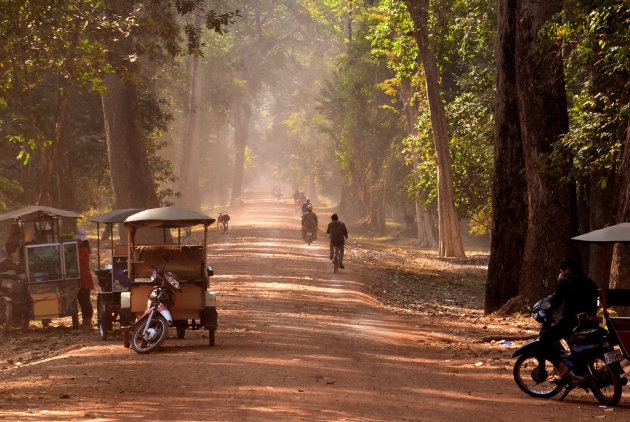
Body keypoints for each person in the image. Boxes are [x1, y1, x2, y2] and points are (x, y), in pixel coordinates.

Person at [540, 258, 598, 382]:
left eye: (561, 271)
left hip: (572, 322)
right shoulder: (590, 282)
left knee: (545, 339)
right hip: (590, 322)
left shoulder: (565, 280)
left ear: (567, 270)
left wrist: (548, 315)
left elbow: (556, 302)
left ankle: (562, 369)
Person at [74, 229, 94, 329]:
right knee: (81, 301)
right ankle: (85, 321)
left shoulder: (83, 250)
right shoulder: (81, 249)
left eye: (78, 240)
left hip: (85, 278)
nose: (77, 241)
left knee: (85, 301)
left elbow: (76, 258)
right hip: (80, 278)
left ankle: (88, 322)